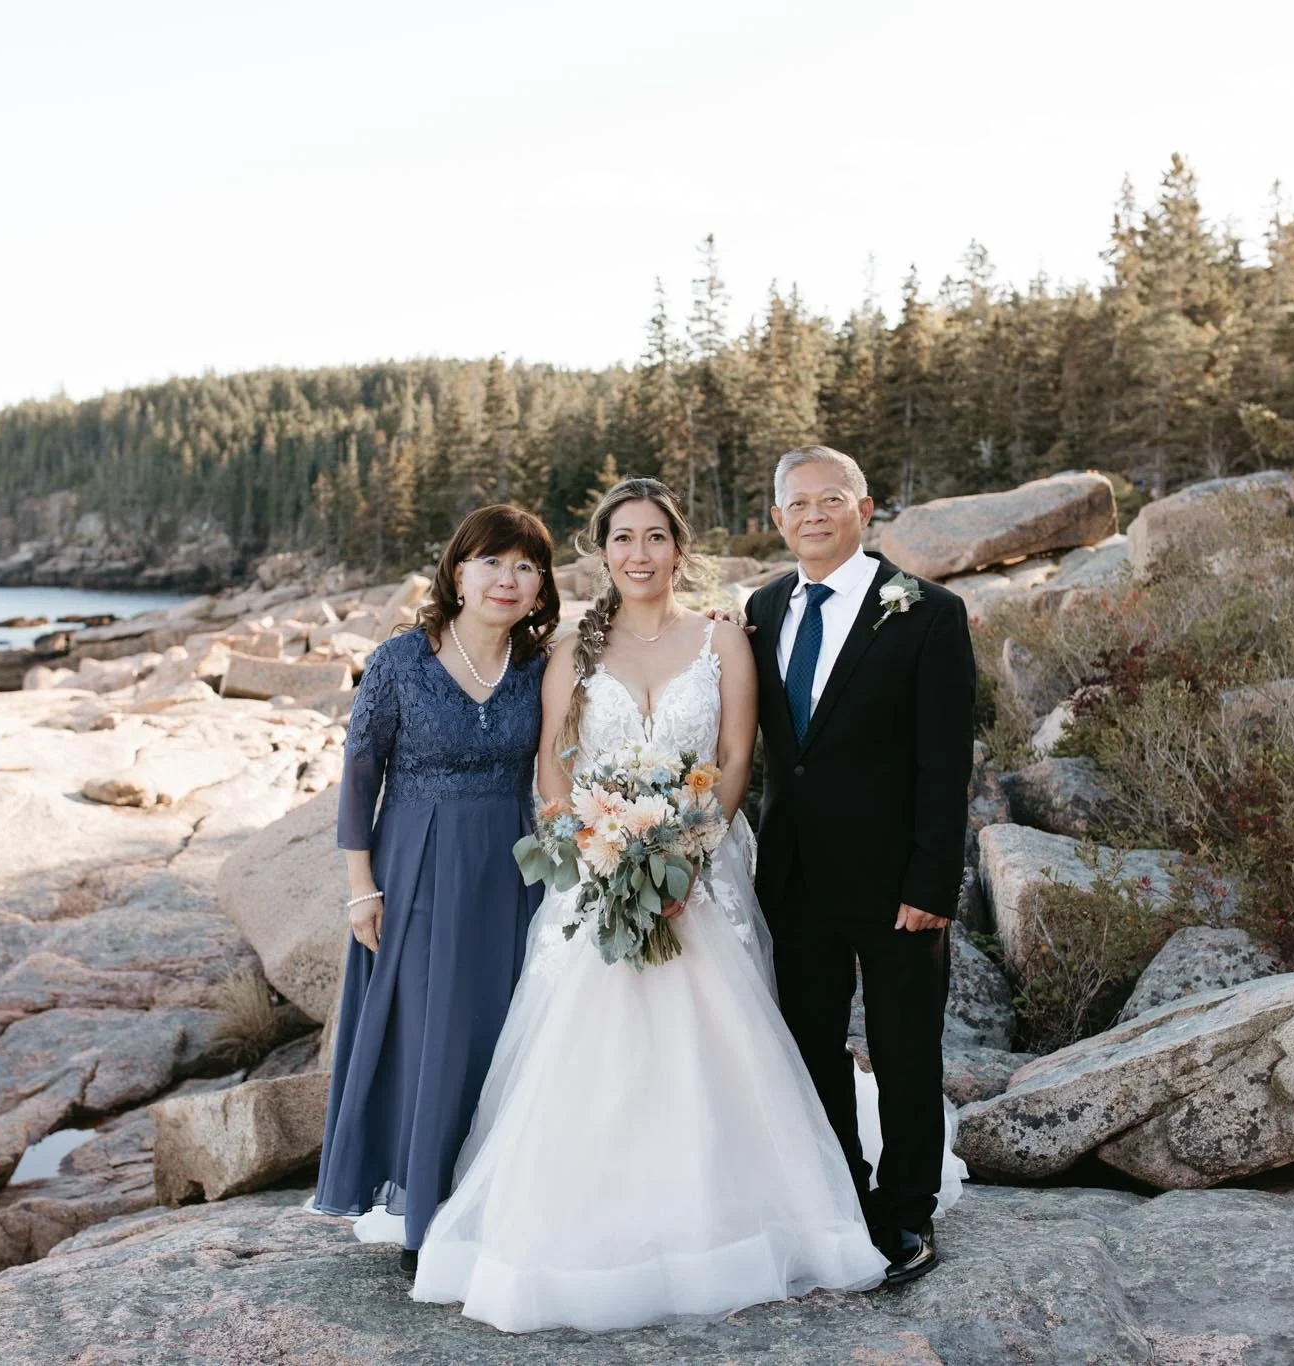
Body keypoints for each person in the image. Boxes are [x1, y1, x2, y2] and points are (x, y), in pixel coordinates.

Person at [411, 478, 890, 1333]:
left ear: (679, 548)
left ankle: (735, 1215)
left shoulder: (721, 640)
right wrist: (597, 852)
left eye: (655, 538)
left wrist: (686, 853)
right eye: (622, 539)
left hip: (701, 868)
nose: (639, 554)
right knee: (584, 1044)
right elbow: (553, 768)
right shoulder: (570, 652)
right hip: (593, 874)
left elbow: (739, 756)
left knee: (720, 1036)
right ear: (603, 552)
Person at [745, 445, 976, 1286]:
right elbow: (771, 756)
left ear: (865, 508)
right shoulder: (761, 608)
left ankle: (907, 1209)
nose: (814, 515)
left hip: (894, 884)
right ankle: (841, 1194)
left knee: (905, 1046)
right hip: (795, 877)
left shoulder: (926, 612)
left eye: (831, 499)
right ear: (777, 519)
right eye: (797, 504)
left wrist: (932, 882)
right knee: (810, 1047)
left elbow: (946, 763)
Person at [312, 504, 562, 1269]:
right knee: (428, 1035)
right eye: (492, 562)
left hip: (509, 868)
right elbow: (360, 774)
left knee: (499, 1030)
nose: (508, 579)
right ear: (458, 571)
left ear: (542, 584)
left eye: (525, 566)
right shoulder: (400, 660)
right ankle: (423, 1209)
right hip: (414, 863)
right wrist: (361, 887)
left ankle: (488, 1204)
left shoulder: (542, 665)